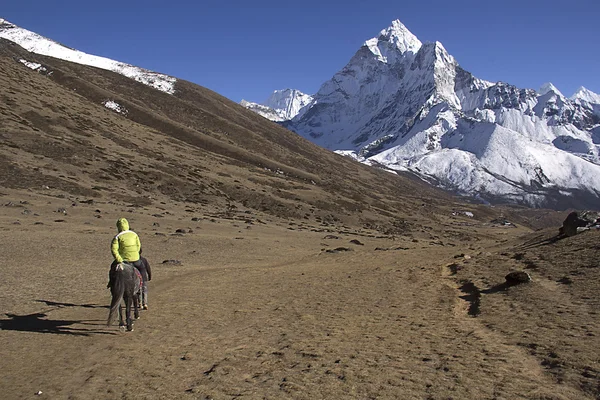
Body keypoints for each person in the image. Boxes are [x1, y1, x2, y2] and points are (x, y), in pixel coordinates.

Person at [107, 218, 148, 308]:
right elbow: (138, 246)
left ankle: (111, 283)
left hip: (124, 261)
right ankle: (143, 284)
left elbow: (114, 250)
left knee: (112, 268)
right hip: (136, 260)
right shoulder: (134, 234)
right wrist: (135, 255)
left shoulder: (117, 237)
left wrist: (119, 260)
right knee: (142, 270)